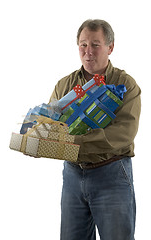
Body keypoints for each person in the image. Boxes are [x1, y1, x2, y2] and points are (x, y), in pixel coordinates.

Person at [49, 19, 141, 240]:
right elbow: (52, 125)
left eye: (95, 45)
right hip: (72, 174)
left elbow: (123, 133)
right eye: (83, 45)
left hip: (111, 173)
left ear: (110, 47)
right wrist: (39, 137)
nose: (88, 52)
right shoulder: (65, 85)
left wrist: (75, 143)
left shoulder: (126, 85)